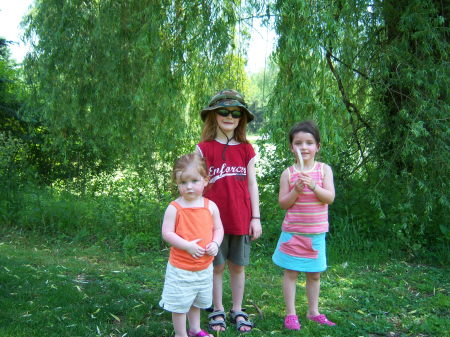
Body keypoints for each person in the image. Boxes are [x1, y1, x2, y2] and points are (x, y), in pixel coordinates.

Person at [196, 89, 262, 333]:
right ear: (213, 116)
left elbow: (252, 184)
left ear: (241, 118)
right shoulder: (204, 148)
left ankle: (237, 308)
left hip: (241, 217)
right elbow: (195, 183)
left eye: (235, 113)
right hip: (212, 222)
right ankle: (217, 308)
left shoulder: (247, 150)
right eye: (223, 111)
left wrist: (256, 217)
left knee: (238, 266)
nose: (229, 116)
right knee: (217, 266)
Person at [272, 121, 336, 331]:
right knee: (291, 273)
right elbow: (283, 203)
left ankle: (313, 311)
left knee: (314, 274)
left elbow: (329, 198)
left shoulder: (324, 170)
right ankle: (290, 313)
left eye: (309, 142)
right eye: (298, 143)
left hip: (316, 234)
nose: (304, 147)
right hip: (294, 233)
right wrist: (296, 190)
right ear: (292, 147)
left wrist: (314, 186)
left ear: (317, 146)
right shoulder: (288, 174)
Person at [159, 153, 224, 337]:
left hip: (203, 267)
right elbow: (167, 233)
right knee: (180, 304)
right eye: (183, 183)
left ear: (205, 180)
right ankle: (181, 334)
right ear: (177, 184)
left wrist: (215, 243)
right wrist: (187, 246)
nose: (188, 187)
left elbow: (219, 229)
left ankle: (195, 329)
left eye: (194, 181)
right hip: (181, 269)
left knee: (196, 301)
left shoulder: (210, 206)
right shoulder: (175, 208)